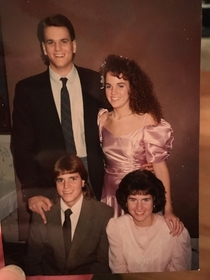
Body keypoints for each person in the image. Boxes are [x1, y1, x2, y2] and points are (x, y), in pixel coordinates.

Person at [11, 14, 105, 223]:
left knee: (95, 241)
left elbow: (119, 122)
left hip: (93, 173)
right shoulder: (28, 89)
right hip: (50, 178)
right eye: (50, 42)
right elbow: (21, 146)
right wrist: (32, 191)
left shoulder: (96, 82)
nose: (58, 48)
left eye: (63, 41)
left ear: (73, 45)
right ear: (44, 48)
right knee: (57, 247)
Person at [98, 54, 182, 235]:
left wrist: (168, 209)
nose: (113, 92)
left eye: (120, 85)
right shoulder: (102, 119)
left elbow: (160, 169)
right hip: (110, 196)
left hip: (139, 196)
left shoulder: (147, 120)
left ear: (132, 88)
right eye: (109, 86)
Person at [24, 155, 114, 275]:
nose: (66, 186)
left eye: (72, 178)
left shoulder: (103, 214)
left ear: (83, 182)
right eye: (60, 180)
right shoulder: (42, 212)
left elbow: (102, 263)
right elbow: (33, 261)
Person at [106, 170, 192, 273]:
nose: (139, 207)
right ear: (125, 201)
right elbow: (119, 272)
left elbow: (179, 274)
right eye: (133, 199)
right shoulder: (117, 228)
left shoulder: (174, 230)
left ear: (154, 200)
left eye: (145, 200)